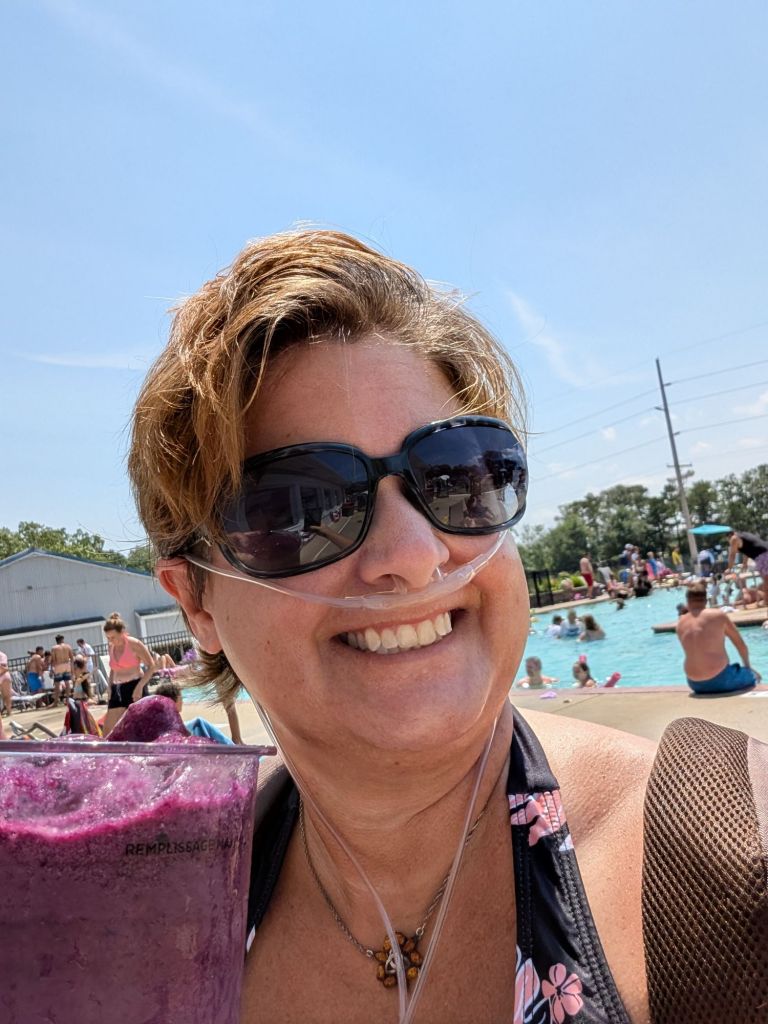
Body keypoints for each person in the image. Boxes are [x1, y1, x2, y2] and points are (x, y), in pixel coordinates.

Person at [127, 228, 768, 1020]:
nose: (414, 554)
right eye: (302, 508)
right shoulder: (167, 914)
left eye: (458, 476)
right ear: (195, 603)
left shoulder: (733, 865)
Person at [676, 581, 761, 695]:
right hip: (721, 679)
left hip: (694, 684)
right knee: (752, 676)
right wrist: (748, 668)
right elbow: (740, 644)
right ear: (706, 601)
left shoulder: (680, 623)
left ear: (688, 601)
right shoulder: (717, 615)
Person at [102, 612, 155, 734]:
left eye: (113, 637)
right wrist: (109, 687)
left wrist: (140, 686)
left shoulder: (134, 644)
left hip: (134, 686)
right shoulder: (111, 646)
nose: (111, 640)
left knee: (139, 727)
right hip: (117, 688)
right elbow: (113, 669)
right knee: (108, 730)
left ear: (122, 632)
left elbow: (151, 666)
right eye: (108, 638)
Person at [726, 530, 768, 607]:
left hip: (763, 556)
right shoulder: (744, 535)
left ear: (729, 537)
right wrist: (744, 563)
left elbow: (732, 555)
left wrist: (729, 568)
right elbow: (748, 550)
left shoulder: (734, 538)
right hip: (764, 552)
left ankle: (766, 601)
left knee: (766, 579)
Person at [50, 633, 74, 705]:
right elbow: (72, 658)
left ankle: (56, 702)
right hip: (66, 665)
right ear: (62, 639)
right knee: (67, 683)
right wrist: (72, 669)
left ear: (56, 640)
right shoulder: (68, 646)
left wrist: (51, 669)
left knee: (57, 684)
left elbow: (53, 659)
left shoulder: (54, 648)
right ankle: (67, 700)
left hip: (58, 666)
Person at [0, 650, 12, 723]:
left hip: (3, 675)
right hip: (4, 675)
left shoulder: (2, 655)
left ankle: (9, 711)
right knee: (6, 696)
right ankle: (8, 711)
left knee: (6, 696)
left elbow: (4, 668)